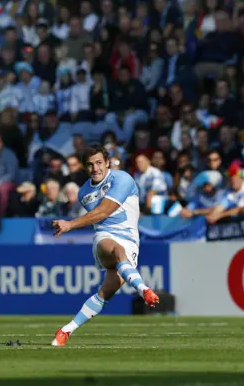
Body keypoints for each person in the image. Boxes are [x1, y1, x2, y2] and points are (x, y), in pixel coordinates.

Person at [50, 145, 159, 346]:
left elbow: (104, 211)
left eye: (99, 163)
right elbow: (100, 220)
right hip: (105, 237)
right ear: (85, 167)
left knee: (104, 294)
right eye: (90, 165)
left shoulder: (122, 179)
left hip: (130, 240)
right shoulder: (84, 192)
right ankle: (144, 290)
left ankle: (66, 331)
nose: (95, 168)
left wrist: (70, 224)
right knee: (117, 250)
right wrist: (72, 224)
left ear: (107, 162)